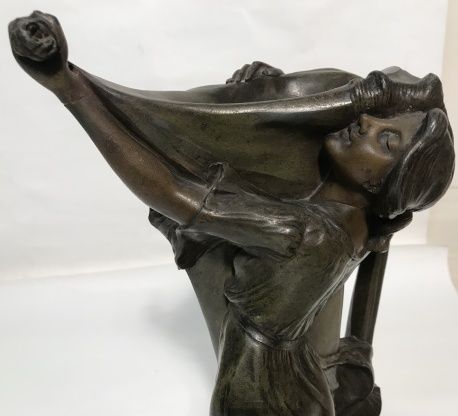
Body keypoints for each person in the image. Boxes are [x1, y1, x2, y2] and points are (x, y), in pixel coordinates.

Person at [9, 11, 455, 416]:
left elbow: (173, 192)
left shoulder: (305, 233)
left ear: (380, 184)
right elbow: (371, 245)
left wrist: (71, 90)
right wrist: (269, 99)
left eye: (386, 141)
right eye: (379, 120)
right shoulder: (359, 222)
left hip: (260, 393)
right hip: (300, 380)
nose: (367, 123)